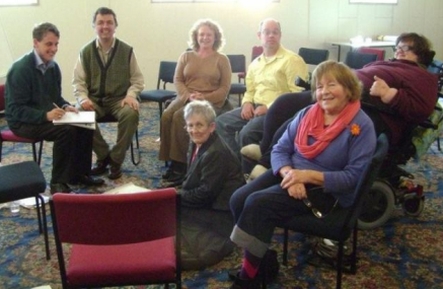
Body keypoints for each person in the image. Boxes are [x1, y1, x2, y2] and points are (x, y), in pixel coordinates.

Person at [228, 60, 377, 288]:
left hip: (327, 189)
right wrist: (290, 174)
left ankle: (248, 279)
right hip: (292, 173)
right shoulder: (308, 114)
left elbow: (353, 178)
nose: (324, 92)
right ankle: (262, 259)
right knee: (238, 199)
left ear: (348, 88)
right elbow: (279, 149)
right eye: (319, 86)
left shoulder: (362, 126)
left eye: (332, 85)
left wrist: (306, 176)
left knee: (258, 204)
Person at [242, 32, 439, 180]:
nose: (399, 49)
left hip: (367, 109)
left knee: (302, 120)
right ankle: (267, 148)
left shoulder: (423, 76)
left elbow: (422, 108)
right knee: (284, 103)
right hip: (337, 92)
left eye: (406, 48)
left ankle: (267, 162)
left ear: (420, 55)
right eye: (398, 46)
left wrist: (390, 94)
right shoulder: (389, 64)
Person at [5, 22, 104, 194]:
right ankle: (58, 182)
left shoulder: (53, 67)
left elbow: (55, 97)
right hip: (22, 122)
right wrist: (45, 116)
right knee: (65, 131)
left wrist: (66, 106)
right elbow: (14, 110)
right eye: (48, 44)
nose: (53, 48)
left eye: (56, 44)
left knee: (85, 123)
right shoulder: (21, 69)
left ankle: (79, 174)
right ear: (35, 43)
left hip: (45, 116)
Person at [215, 18, 309, 166]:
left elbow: (297, 95)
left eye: (275, 32)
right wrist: (246, 103)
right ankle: (236, 167)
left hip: (279, 111)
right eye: (267, 32)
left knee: (247, 134)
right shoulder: (255, 64)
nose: (271, 35)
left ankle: (248, 176)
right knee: (221, 123)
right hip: (255, 107)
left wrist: (269, 107)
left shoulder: (292, 60)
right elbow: (250, 89)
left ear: (280, 35)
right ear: (259, 36)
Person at [73, 7, 145, 180]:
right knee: (80, 114)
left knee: (131, 113)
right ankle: (104, 154)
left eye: (109, 22)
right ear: (94, 25)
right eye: (100, 22)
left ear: (115, 26)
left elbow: (137, 79)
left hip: (119, 100)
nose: (105, 26)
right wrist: (83, 98)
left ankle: (116, 160)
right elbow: (78, 82)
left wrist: (131, 95)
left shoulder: (127, 51)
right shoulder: (85, 51)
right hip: (94, 100)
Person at [159, 19, 232, 187]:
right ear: (196, 37)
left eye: (209, 35)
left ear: (215, 37)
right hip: (187, 95)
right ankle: (170, 159)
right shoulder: (186, 56)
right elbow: (178, 80)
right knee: (167, 116)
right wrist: (188, 96)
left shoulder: (222, 59)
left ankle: (182, 165)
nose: (205, 38)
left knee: (179, 118)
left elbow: (224, 88)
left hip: (210, 98)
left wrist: (204, 98)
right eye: (201, 34)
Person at [179, 100, 245, 270]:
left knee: (170, 211)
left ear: (212, 127)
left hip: (219, 211)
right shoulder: (196, 142)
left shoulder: (215, 152)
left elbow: (206, 193)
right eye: (190, 125)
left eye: (199, 125)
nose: (194, 130)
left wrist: (177, 196)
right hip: (210, 201)